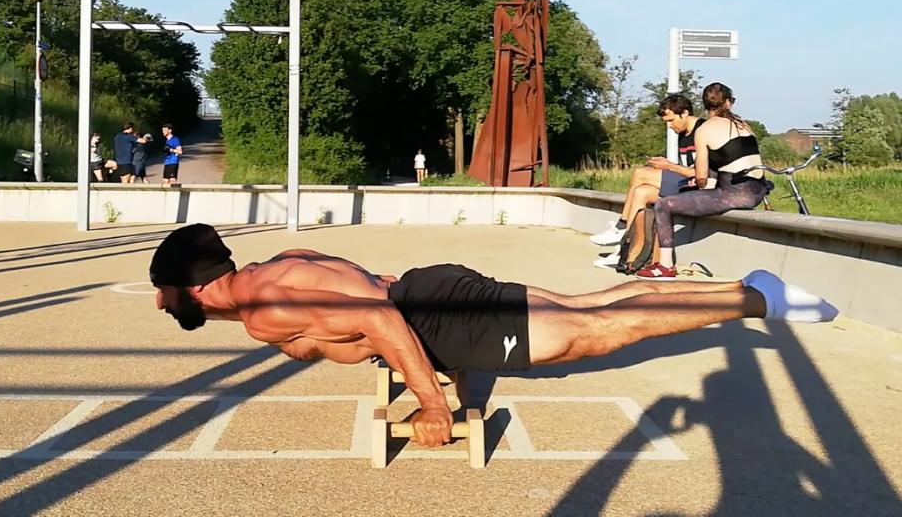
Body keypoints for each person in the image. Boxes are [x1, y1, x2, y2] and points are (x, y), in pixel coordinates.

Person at [149, 223, 838, 448]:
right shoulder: (276, 268)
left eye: (165, 291)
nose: (159, 303)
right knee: (590, 303)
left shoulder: (267, 310)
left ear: (194, 285)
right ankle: (735, 288)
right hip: (430, 290)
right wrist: (451, 373)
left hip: (434, 317)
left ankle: (751, 301)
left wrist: (437, 403)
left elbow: (381, 322)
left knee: (594, 333)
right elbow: (373, 288)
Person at [636, 83, 769, 281]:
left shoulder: (704, 129)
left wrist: (695, 185)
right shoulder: (744, 125)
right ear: (728, 102)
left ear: (705, 104)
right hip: (759, 189)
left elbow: (701, 177)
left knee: (664, 205)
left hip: (735, 194)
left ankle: (665, 266)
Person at [589, 94, 707, 269]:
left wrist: (670, 166)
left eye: (671, 120)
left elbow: (704, 173)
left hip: (702, 188)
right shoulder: (683, 134)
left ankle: (622, 227)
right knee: (641, 192)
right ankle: (625, 251)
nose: (669, 125)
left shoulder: (703, 131)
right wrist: (668, 166)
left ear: (684, 113)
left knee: (640, 173)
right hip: (686, 185)